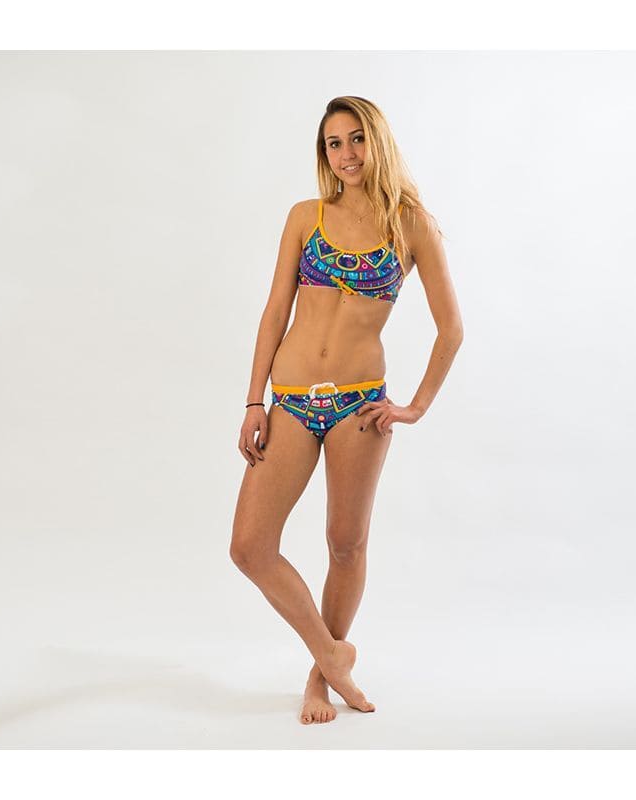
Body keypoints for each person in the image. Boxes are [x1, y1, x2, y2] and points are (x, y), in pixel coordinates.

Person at [230, 96, 463, 725]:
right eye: (334, 143)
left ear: (377, 141)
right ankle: (333, 655)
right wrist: (254, 400)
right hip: (292, 401)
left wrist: (415, 406)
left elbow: (451, 328)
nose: (346, 153)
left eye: (356, 138)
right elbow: (274, 313)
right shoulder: (305, 216)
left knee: (345, 544)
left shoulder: (411, 225)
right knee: (250, 546)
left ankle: (319, 681)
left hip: (361, 404)